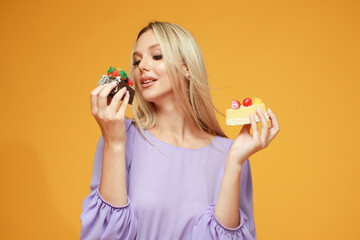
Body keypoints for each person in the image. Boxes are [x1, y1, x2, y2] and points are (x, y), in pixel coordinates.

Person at [80, 21, 279, 240]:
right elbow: (104, 235)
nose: (141, 67)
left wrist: (234, 163)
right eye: (137, 61)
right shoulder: (121, 134)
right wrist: (114, 143)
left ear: (187, 67)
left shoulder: (229, 153)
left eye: (157, 56)